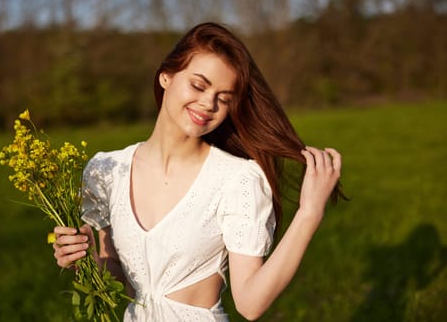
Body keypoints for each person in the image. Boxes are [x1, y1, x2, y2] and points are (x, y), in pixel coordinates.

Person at [53, 22, 344, 321]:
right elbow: (117, 278)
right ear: (166, 76)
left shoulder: (238, 180)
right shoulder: (106, 170)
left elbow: (250, 304)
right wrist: (82, 261)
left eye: (225, 97)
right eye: (199, 85)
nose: (209, 103)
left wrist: (309, 213)